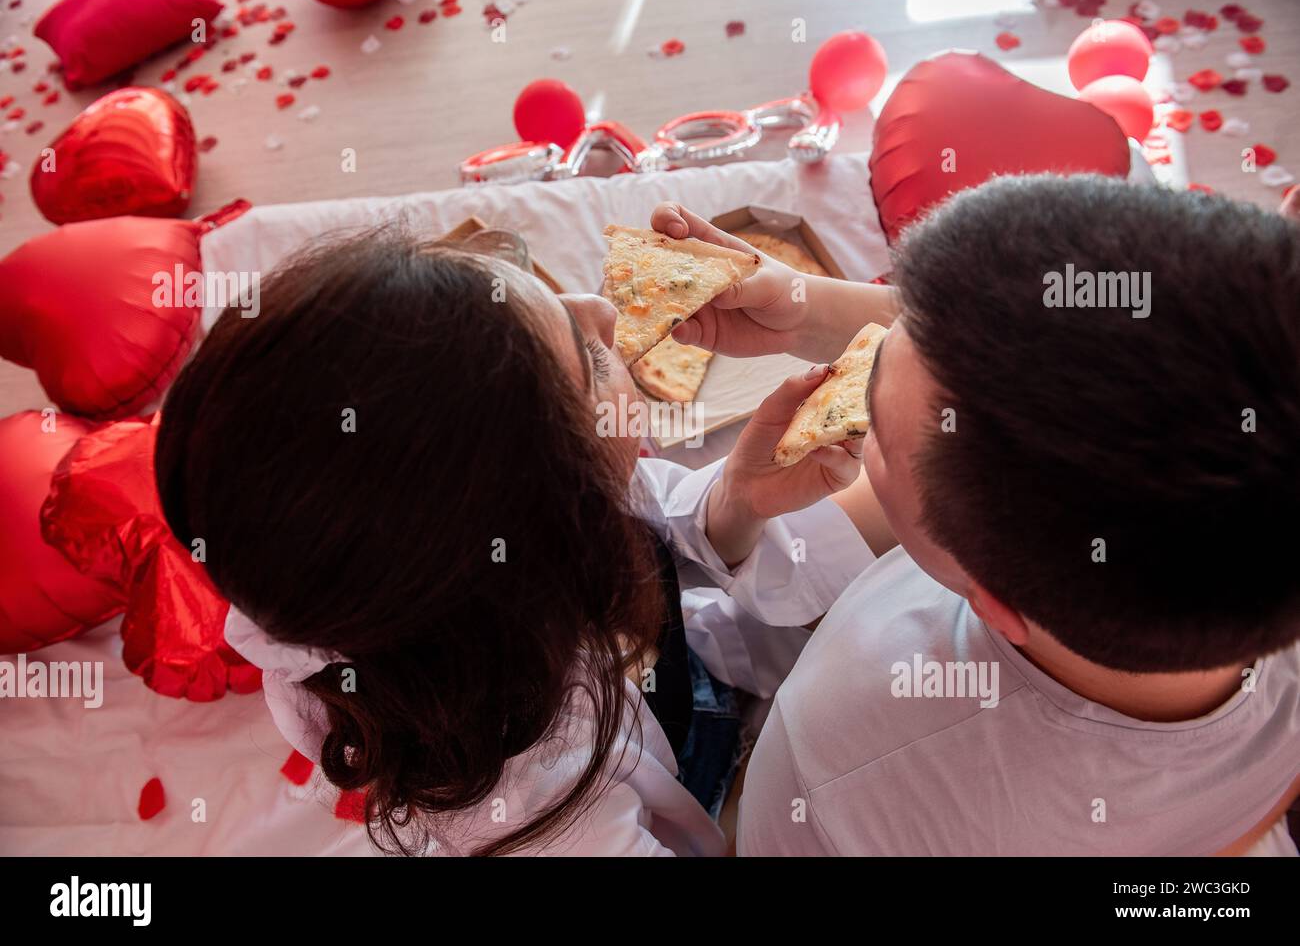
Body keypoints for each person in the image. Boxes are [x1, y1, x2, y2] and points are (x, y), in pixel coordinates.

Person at [153, 227, 875, 856]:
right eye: (589, 363)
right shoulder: (539, 817)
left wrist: (734, 506)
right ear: (557, 539)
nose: (599, 308)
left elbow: (653, 517)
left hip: (675, 691)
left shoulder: (491, 541)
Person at [647, 175, 1300, 855]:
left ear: (991, 605)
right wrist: (811, 308)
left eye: (873, 432)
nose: (861, 372)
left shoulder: (840, 772)